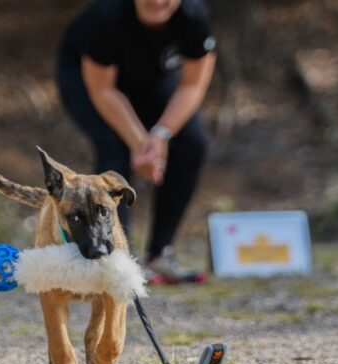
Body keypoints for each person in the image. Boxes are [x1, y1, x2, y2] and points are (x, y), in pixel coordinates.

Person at [56, 0, 217, 284]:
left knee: (192, 144)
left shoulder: (193, 16)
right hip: (91, 81)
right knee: (114, 149)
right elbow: (103, 90)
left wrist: (161, 134)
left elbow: (193, 84)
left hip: (152, 74)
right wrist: (140, 143)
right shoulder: (108, 17)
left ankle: (160, 254)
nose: (157, 1)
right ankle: (118, 258)